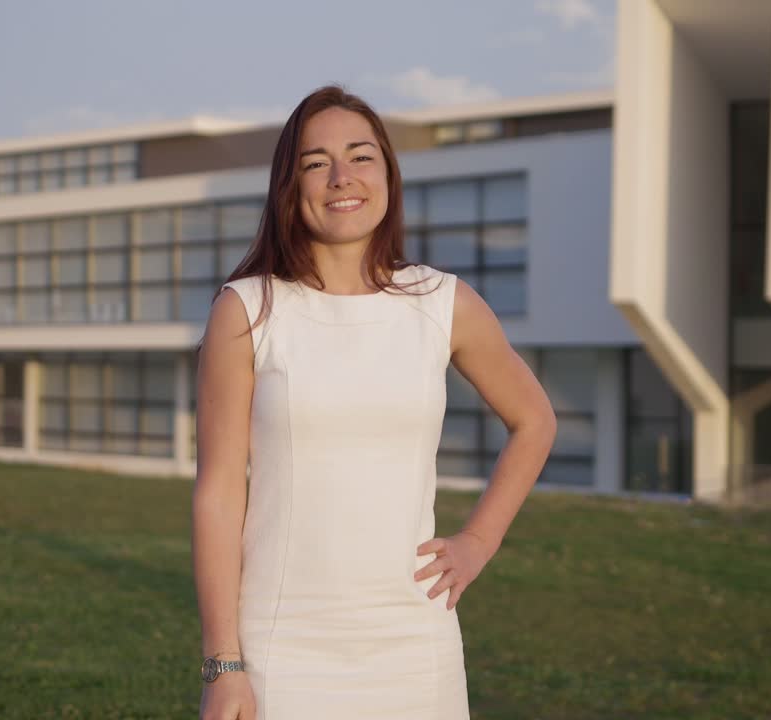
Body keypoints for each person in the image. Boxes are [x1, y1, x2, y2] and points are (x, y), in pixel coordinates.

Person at [191, 85, 557, 719]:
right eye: (315, 162)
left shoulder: (443, 302)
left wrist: (478, 541)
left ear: (388, 173)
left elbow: (534, 420)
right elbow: (219, 494)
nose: (341, 177)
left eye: (361, 156)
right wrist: (225, 663)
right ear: (290, 185)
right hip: (284, 646)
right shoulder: (247, 311)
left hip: (416, 646)